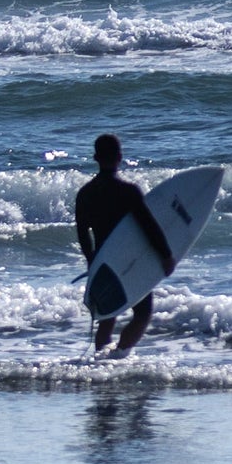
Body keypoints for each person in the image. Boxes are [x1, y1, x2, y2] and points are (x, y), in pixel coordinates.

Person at [73, 133, 156, 358]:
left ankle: (102, 360)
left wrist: (92, 262)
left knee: (107, 318)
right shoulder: (129, 191)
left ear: (95, 157)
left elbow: (82, 234)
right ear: (120, 157)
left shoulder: (85, 194)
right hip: (133, 260)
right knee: (143, 312)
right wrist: (166, 256)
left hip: (104, 262)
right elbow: (149, 227)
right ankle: (119, 356)